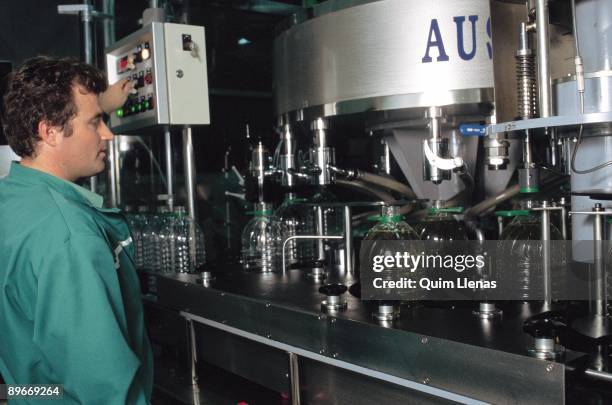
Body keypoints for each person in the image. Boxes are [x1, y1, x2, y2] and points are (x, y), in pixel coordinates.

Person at [0, 56, 153, 404]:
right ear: (49, 131)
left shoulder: (10, 199)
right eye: (95, 122)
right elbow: (104, 386)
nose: (107, 134)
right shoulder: (69, 235)